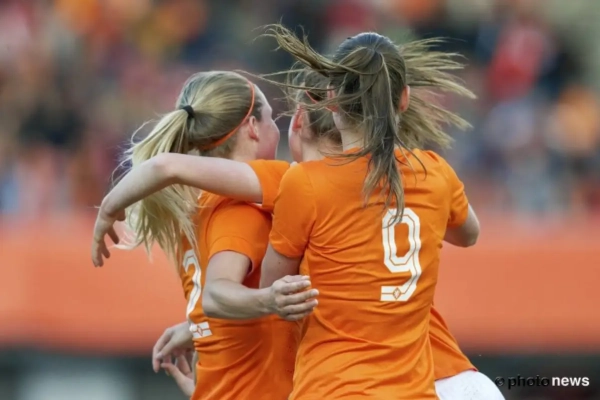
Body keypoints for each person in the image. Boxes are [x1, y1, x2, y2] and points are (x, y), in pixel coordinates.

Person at [92, 62, 503, 399]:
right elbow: (468, 234)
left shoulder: (280, 191)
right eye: (272, 116)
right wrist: (204, 327)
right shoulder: (415, 171)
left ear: (301, 121)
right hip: (446, 380)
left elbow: (232, 292)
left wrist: (110, 206)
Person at [93, 70, 317, 400]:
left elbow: (217, 308)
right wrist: (270, 300)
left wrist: (195, 328)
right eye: (271, 118)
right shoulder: (244, 204)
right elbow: (217, 295)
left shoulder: (192, 207)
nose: (277, 128)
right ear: (253, 127)